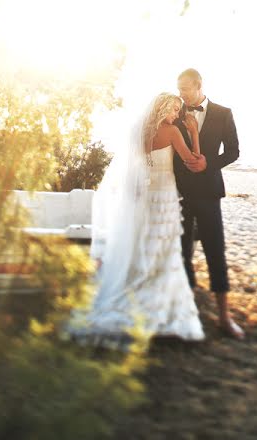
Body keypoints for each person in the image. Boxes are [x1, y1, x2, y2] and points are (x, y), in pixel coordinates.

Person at [72, 92, 205, 343]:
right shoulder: (173, 132)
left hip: (141, 198)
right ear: (164, 108)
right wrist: (195, 134)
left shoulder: (137, 132)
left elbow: (130, 169)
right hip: (164, 197)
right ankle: (156, 309)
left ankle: (133, 300)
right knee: (163, 252)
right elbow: (192, 161)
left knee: (139, 247)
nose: (176, 115)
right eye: (174, 110)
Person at [174, 68, 244, 340]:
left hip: (209, 193)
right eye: (178, 89)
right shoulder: (174, 114)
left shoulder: (223, 113)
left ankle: (224, 317)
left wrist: (208, 164)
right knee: (182, 254)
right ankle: (185, 314)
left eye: (185, 89)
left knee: (216, 251)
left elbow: (234, 151)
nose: (181, 94)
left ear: (199, 85)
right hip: (179, 193)